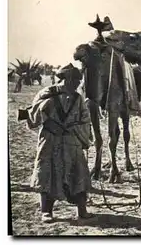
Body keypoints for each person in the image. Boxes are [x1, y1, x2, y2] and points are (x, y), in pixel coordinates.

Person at [17, 63, 93, 223]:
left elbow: (85, 119)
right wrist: (48, 120)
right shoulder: (46, 94)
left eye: (79, 81)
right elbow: (34, 116)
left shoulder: (78, 98)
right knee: (47, 173)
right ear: (67, 79)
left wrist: (78, 131)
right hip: (51, 141)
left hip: (72, 141)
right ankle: (46, 211)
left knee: (78, 173)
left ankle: (82, 210)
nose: (78, 84)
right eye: (76, 81)